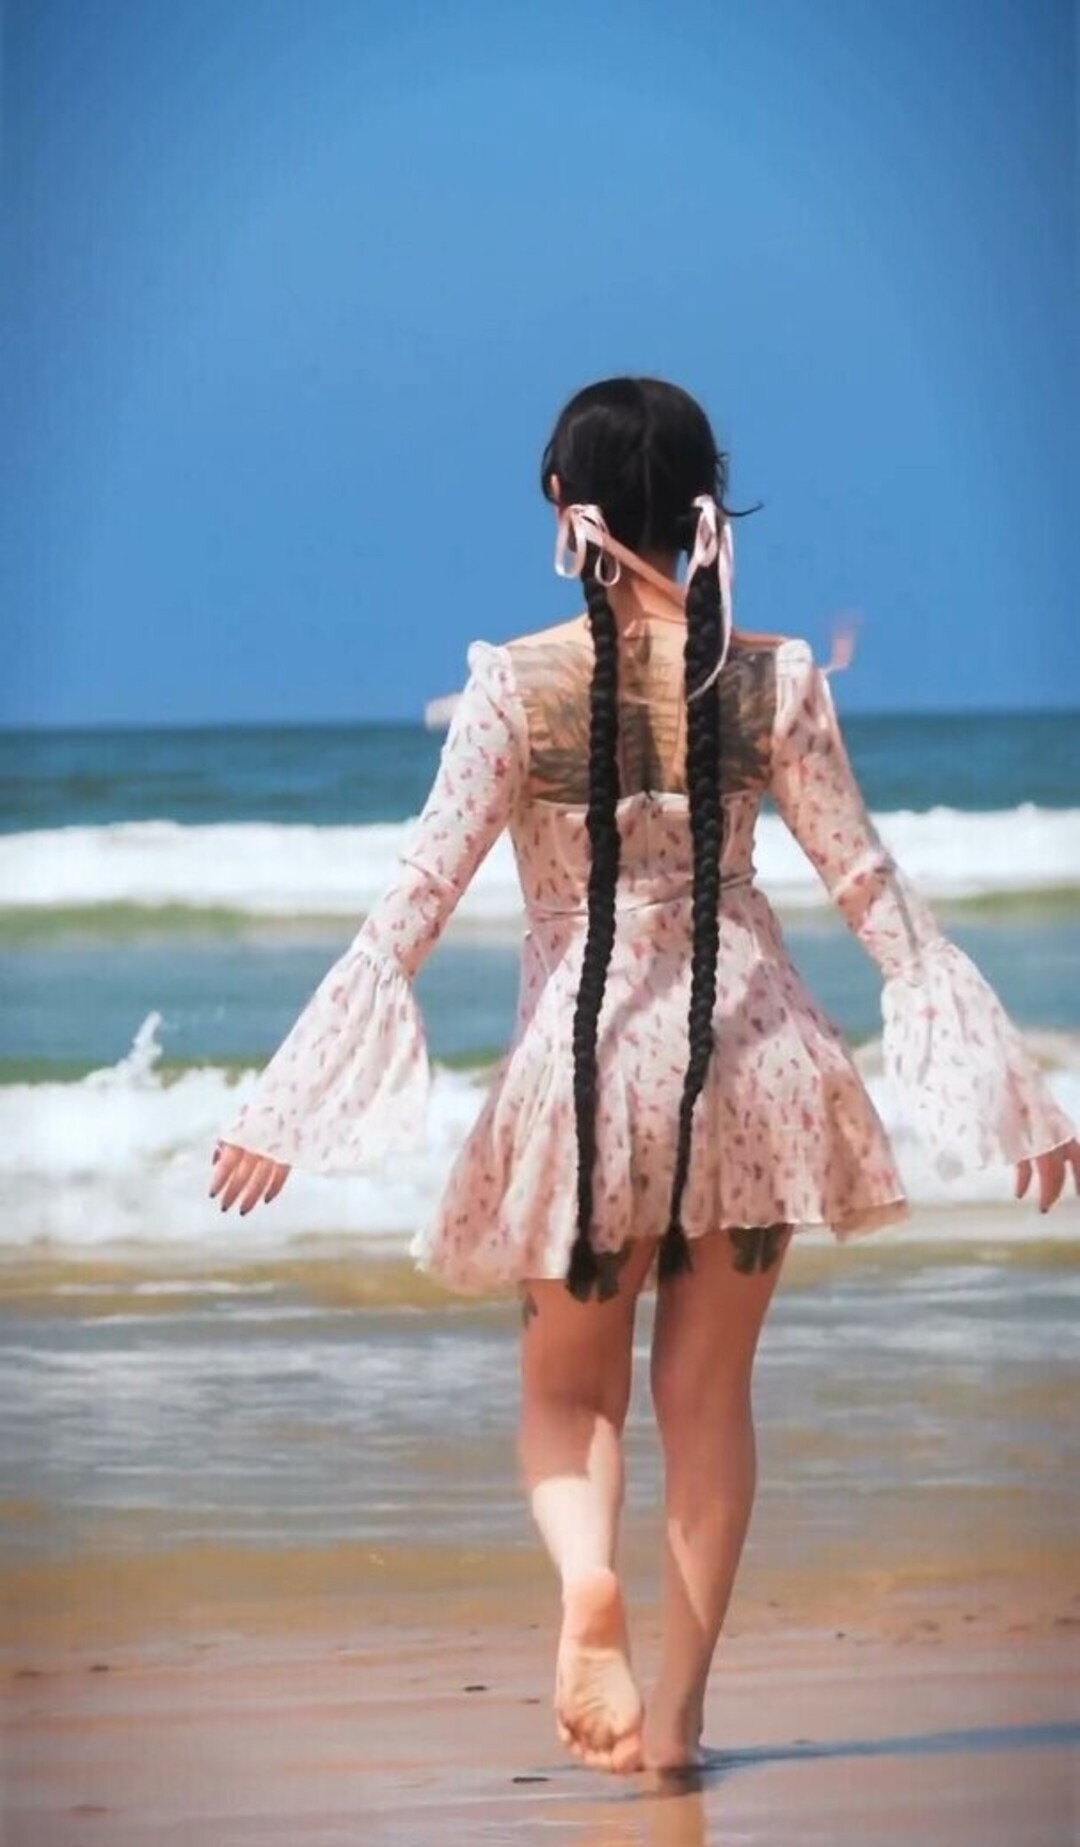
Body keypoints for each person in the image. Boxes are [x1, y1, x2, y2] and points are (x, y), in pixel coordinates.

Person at [209, 376, 1078, 1775]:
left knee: (571, 1399)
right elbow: (873, 893)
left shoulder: (514, 684)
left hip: (588, 1071)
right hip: (758, 1061)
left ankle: (587, 1587)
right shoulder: (779, 680)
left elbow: (416, 896)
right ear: (700, 508)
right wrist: (1009, 1085)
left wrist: (285, 1103)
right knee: (710, 1402)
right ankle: (676, 1724)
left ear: (568, 509)